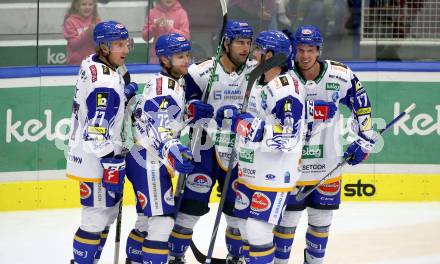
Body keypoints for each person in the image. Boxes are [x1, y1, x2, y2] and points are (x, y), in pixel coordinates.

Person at [273, 25, 374, 264]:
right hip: (290, 167)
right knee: (286, 226)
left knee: (320, 225)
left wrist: (365, 141)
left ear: (319, 50)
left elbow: (363, 106)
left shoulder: (341, 74)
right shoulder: (283, 78)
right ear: (293, 51)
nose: (305, 55)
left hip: (327, 165)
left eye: (310, 50)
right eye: (300, 50)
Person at [167, 20, 256, 264]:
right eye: (240, 42)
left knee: (237, 211)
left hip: (240, 150)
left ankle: (236, 257)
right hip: (203, 148)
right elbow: (179, 105)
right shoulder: (201, 71)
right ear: (226, 43)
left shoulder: (256, 71)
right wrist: (193, 108)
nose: (245, 48)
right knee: (190, 209)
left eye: (248, 43)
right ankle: (175, 257)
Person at [124, 33, 213, 264]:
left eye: (187, 55)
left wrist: (189, 112)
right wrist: (175, 151)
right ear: (164, 59)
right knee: (162, 222)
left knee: (145, 220)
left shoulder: (172, 83)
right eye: (179, 56)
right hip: (149, 159)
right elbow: (159, 130)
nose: (186, 60)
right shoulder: (165, 88)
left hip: (144, 156)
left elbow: (156, 119)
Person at [65, 20, 137, 264]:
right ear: (104, 47)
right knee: (95, 218)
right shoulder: (104, 83)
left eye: (126, 43)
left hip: (90, 155)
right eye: (118, 44)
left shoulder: (92, 62)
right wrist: (110, 161)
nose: (125, 50)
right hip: (96, 158)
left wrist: (123, 94)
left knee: (105, 216)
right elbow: (96, 132)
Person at [231, 30, 305, 264]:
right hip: (252, 170)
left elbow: (289, 135)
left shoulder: (286, 88)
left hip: (273, 174)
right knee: (243, 225)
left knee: (257, 230)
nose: (253, 55)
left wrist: (246, 127)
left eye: (258, 51)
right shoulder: (262, 82)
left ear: (271, 55)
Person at [63, 0, 100, 65]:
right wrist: (87, 33)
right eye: (84, 4)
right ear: (76, 6)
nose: (87, 7)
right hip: (76, 64)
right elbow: (73, 45)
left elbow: (100, 46)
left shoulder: (97, 21)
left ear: (94, 6)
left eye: (90, 4)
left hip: (94, 63)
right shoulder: (70, 21)